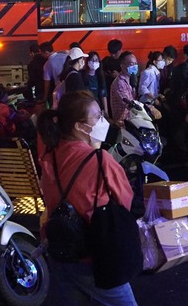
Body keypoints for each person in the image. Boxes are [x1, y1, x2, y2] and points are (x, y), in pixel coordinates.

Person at [37, 90, 136, 305]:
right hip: (96, 256)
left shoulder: (50, 156)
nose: (103, 121)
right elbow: (125, 201)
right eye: (98, 116)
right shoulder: (100, 160)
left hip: (61, 252)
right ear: (80, 127)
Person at [109, 52, 138, 127]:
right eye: (131, 64)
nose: (134, 66)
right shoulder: (119, 83)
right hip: (122, 124)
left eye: (136, 63)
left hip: (132, 120)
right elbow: (129, 103)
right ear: (122, 65)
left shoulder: (132, 79)